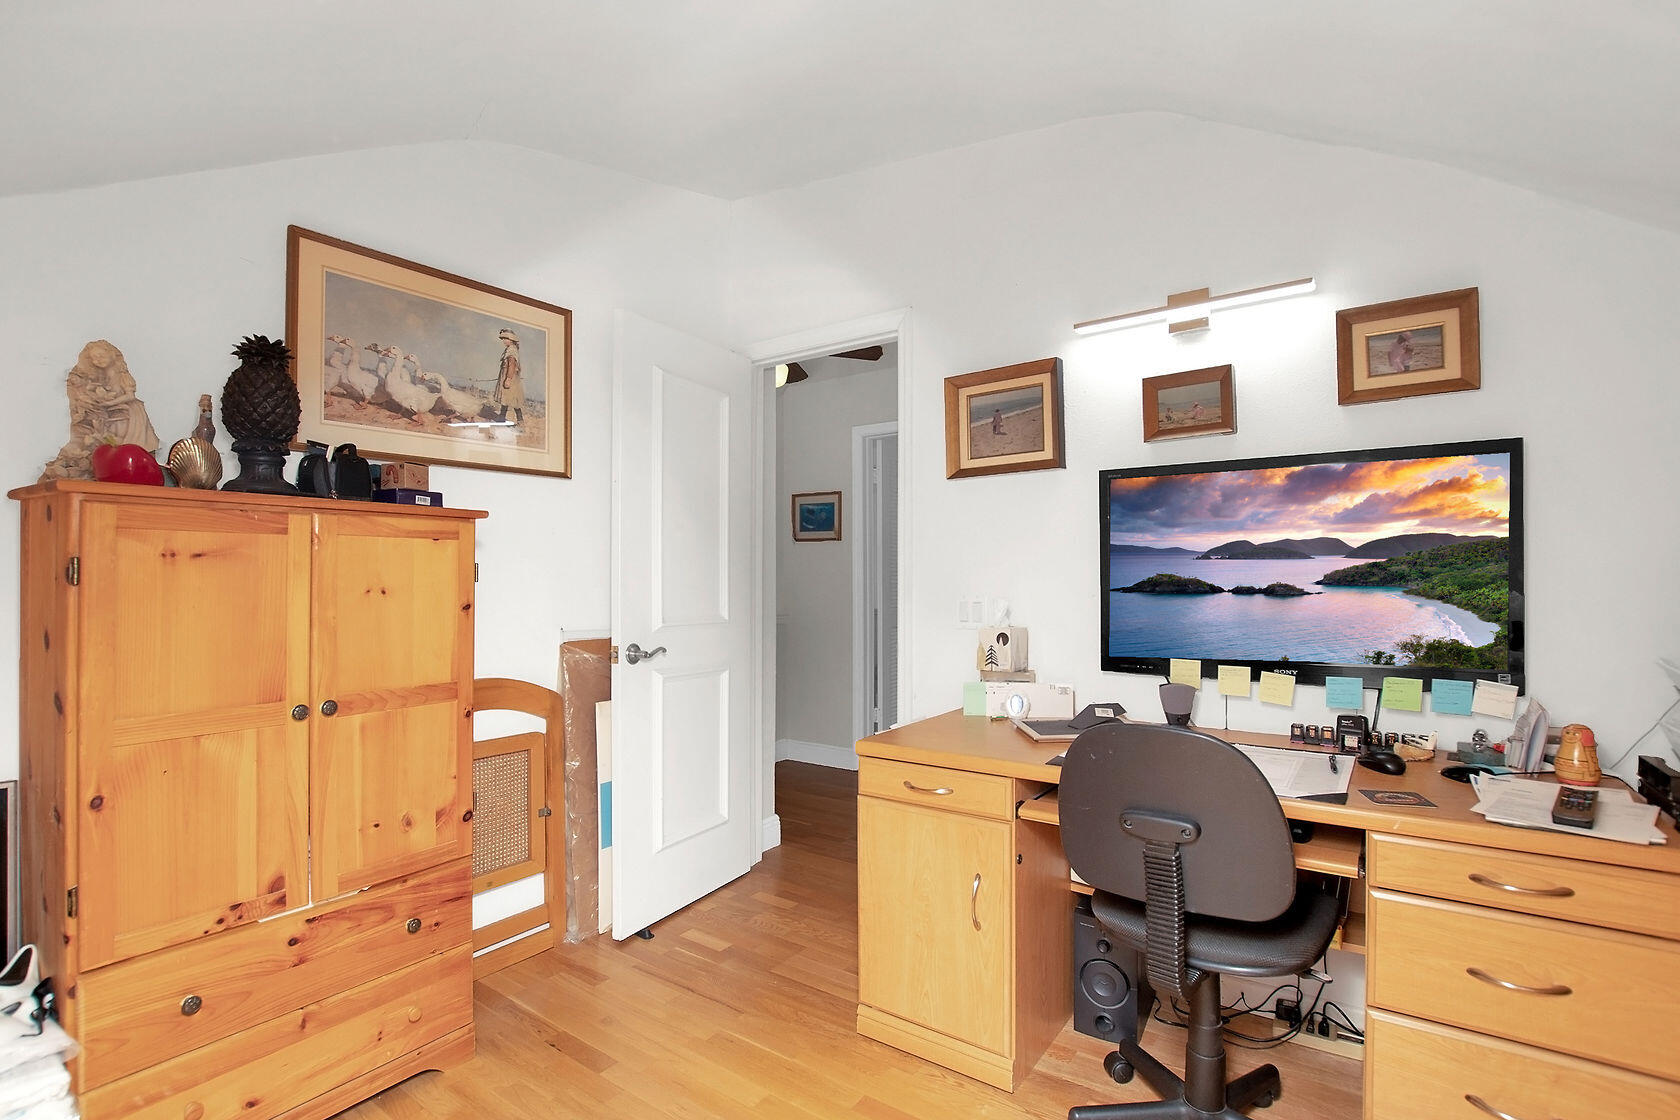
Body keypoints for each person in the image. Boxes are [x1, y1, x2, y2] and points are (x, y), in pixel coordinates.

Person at [494, 327, 525, 422]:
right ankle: (502, 418)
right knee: (506, 398)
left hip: (510, 379)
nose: (503, 340)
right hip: (509, 378)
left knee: (513, 399)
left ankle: (520, 421)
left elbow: (511, 365)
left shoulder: (511, 351)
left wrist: (508, 379)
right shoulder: (510, 349)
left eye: (505, 338)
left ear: (510, 340)